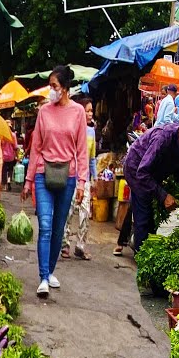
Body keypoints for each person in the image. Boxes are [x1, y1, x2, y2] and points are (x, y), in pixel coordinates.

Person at [23, 65, 88, 298]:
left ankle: (50, 271)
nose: (51, 90)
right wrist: (28, 180)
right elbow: (35, 148)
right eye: (50, 86)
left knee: (59, 228)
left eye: (55, 86)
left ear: (65, 88)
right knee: (46, 226)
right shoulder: (43, 111)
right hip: (43, 172)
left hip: (68, 177)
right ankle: (42, 277)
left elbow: (81, 150)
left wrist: (82, 182)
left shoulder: (78, 112)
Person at [122, 116, 179, 250]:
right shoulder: (162, 139)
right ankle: (143, 260)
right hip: (136, 169)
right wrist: (164, 196)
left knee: (138, 206)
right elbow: (143, 173)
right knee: (145, 218)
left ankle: (123, 240)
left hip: (155, 171)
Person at [64, 101, 98, 260]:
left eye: (92, 111)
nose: (90, 114)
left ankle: (80, 245)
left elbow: (92, 158)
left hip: (85, 179)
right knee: (68, 213)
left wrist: (95, 177)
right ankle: (65, 245)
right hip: (70, 177)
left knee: (85, 213)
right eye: (88, 111)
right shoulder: (71, 129)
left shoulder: (91, 132)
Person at [0, 127, 18, 193]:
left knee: (4, 171)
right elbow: (15, 147)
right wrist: (17, 156)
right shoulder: (13, 135)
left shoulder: (2, 135)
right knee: (10, 170)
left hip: (3, 156)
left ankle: (4, 185)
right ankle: (9, 181)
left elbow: (0, 145)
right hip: (11, 156)